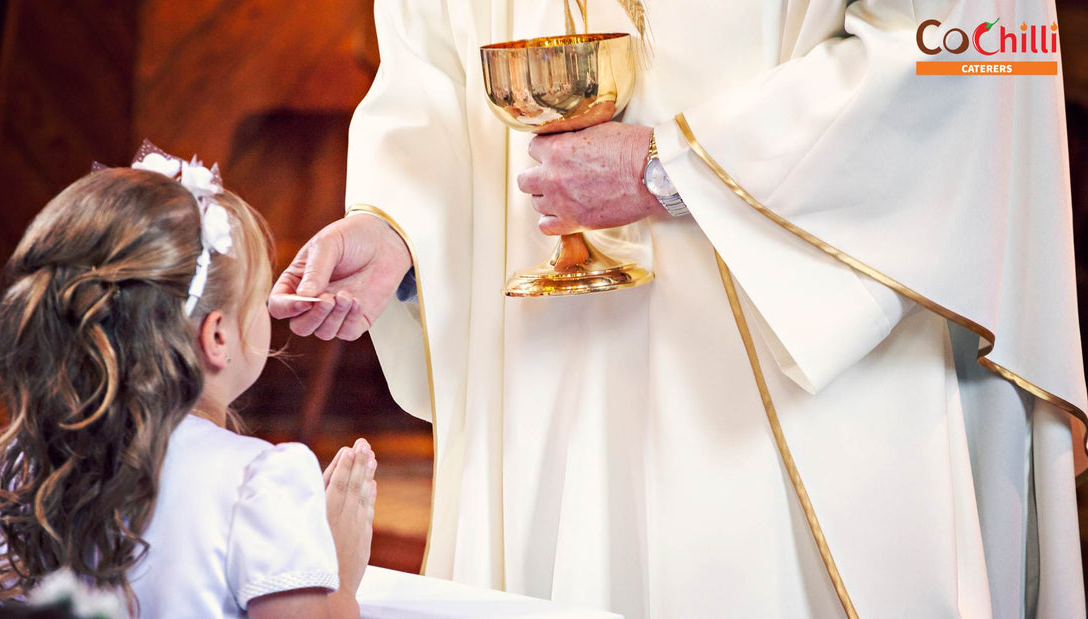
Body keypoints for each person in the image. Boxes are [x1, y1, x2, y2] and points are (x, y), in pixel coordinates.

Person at [270, 0, 1087, 617]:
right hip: (543, 377)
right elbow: (432, 72)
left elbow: (971, 49)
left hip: (801, 369)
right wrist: (398, 227)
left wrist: (681, 164)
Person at [0, 146, 377, 618]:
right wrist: (337, 578)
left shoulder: (25, 465)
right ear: (217, 336)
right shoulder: (260, 482)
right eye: (258, 296)